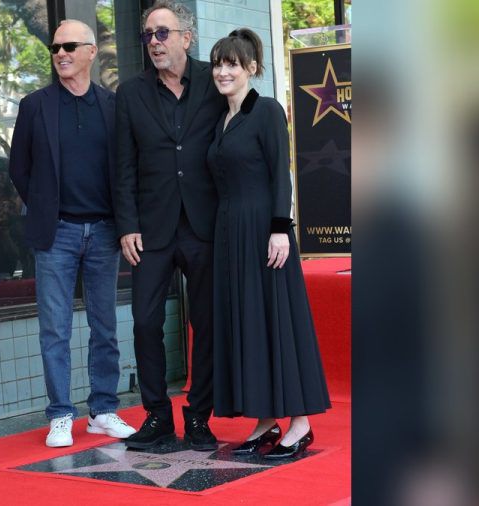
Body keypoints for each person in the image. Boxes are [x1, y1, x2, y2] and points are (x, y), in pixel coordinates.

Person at [9, 19, 136, 448]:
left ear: (90, 51)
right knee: (55, 329)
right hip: (56, 233)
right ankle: (61, 414)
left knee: (105, 326)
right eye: (55, 47)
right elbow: (19, 170)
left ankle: (103, 410)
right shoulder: (35, 106)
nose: (60, 53)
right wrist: (46, 205)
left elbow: (125, 170)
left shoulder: (113, 106)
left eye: (69, 46)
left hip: (104, 232)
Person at [207, 28, 331, 459]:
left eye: (232, 65)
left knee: (276, 320)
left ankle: (300, 422)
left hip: (264, 232)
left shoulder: (268, 111)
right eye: (218, 64)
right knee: (249, 323)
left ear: (251, 69)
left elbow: (283, 173)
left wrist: (282, 227)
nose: (223, 72)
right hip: (230, 233)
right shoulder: (222, 118)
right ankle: (264, 419)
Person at [113, 1, 226, 451]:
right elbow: (121, 166)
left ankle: (199, 416)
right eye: (148, 36)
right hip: (151, 230)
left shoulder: (214, 82)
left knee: (208, 324)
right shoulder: (130, 93)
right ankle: (157, 416)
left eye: (163, 33)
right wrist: (126, 225)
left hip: (204, 225)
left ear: (186, 37)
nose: (155, 43)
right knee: (144, 322)